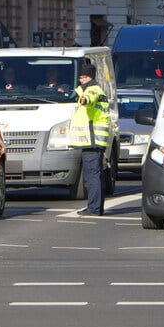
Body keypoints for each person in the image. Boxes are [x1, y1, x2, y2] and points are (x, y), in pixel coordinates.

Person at [68, 64, 110, 216]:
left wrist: (84, 99)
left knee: (92, 176)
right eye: (80, 78)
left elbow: (89, 100)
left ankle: (94, 208)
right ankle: (96, 207)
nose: (81, 80)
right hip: (94, 141)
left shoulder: (91, 89)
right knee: (96, 175)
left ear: (90, 77)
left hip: (91, 141)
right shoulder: (98, 90)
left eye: (84, 77)